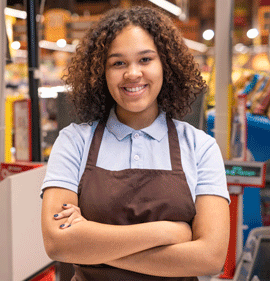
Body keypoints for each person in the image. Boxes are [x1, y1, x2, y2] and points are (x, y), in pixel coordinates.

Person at [41, 5, 230, 281]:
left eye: (145, 59)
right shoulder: (74, 142)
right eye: (118, 63)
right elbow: (57, 243)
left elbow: (211, 258)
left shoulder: (199, 147)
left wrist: (89, 247)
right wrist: (169, 232)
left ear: (165, 64)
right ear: (100, 72)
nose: (132, 73)